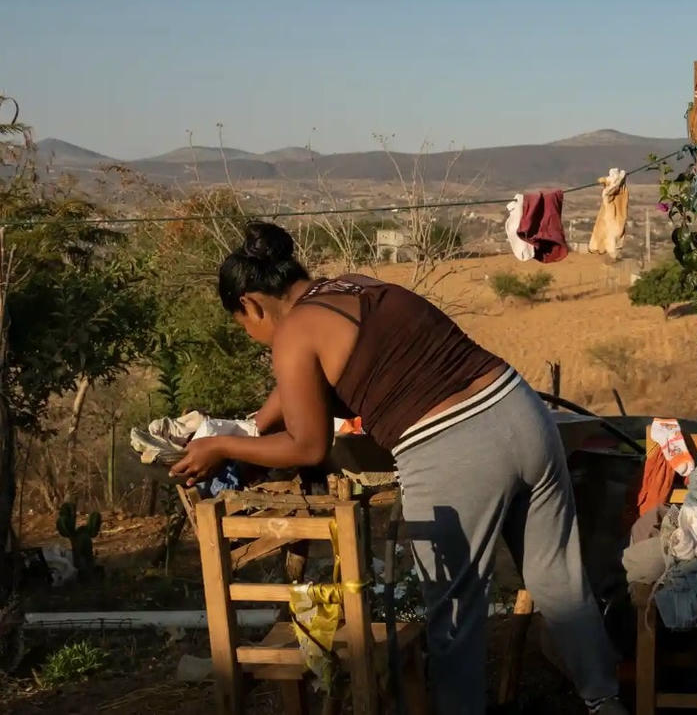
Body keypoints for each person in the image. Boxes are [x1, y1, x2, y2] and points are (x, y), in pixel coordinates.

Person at [169, 221, 626, 715]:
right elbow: (301, 381)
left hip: (454, 448)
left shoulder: (293, 332)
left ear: (252, 304)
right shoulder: (354, 286)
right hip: (521, 410)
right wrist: (254, 427)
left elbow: (307, 446)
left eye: (246, 326)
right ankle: (605, 701)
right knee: (558, 578)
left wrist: (223, 447)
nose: (257, 339)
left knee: (454, 616)